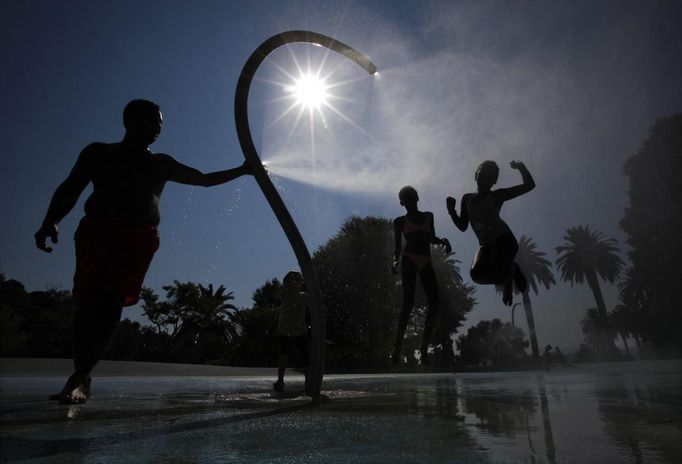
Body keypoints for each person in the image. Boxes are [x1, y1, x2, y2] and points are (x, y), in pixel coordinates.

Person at [34, 99, 253, 404]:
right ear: (130, 121)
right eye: (152, 121)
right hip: (97, 230)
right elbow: (70, 188)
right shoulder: (99, 152)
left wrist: (242, 170)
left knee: (111, 302)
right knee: (87, 303)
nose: (158, 128)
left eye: (160, 123)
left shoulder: (160, 163)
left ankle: (80, 376)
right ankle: (82, 371)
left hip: (138, 238)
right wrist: (50, 222)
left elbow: (203, 180)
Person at [446, 160, 534, 306]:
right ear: (476, 175)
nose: (485, 177)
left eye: (490, 175)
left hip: (504, 240)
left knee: (499, 272)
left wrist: (520, 166)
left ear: (494, 181)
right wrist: (451, 211)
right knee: (476, 275)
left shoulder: (497, 195)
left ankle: (511, 272)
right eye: (482, 173)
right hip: (485, 245)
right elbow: (463, 226)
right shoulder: (467, 198)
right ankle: (509, 273)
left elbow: (529, 185)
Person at [391, 186, 451, 365]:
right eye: (405, 198)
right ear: (402, 203)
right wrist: (394, 260)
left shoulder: (429, 216)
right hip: (409, 258)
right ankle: (397, 347)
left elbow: (431, 238)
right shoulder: (399, 221)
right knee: (408, 303)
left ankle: (424, 347)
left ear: (417, 198)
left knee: (435, 302)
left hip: (425, 259)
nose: (409, 200)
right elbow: (397, 248)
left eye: (411, 197)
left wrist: (443, 241)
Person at [273, 270, 310, 393]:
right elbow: (277, 292)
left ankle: (309, 381)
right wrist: (287, 283)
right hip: (285, 330)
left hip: (301, 330)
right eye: (292, 280)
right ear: (287, 283)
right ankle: (280, 381)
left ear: (300, 283)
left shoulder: (303, 296)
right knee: (284, 355)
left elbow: (315, 303)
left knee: (305, 357)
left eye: (297, 280)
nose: (294, 283)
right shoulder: (284, 294)